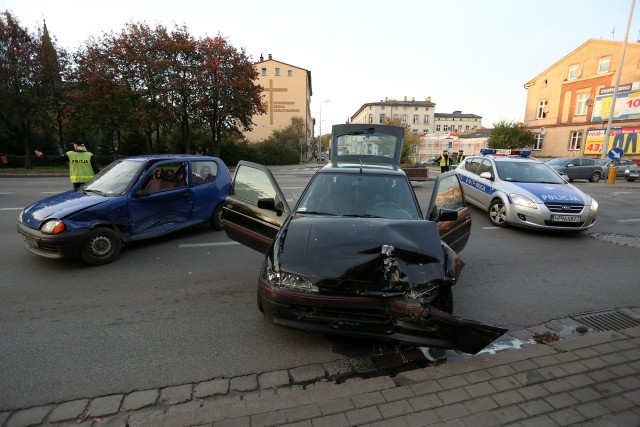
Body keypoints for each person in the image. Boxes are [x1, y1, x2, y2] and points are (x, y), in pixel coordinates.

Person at [34, 139, 100, 189]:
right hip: (89, 182)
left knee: (78, 199)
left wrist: (42, 156)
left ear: (76, 146)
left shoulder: (70, 154)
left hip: (76, 182)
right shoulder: (90, 155)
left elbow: (55, 159)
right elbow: (96, 169)